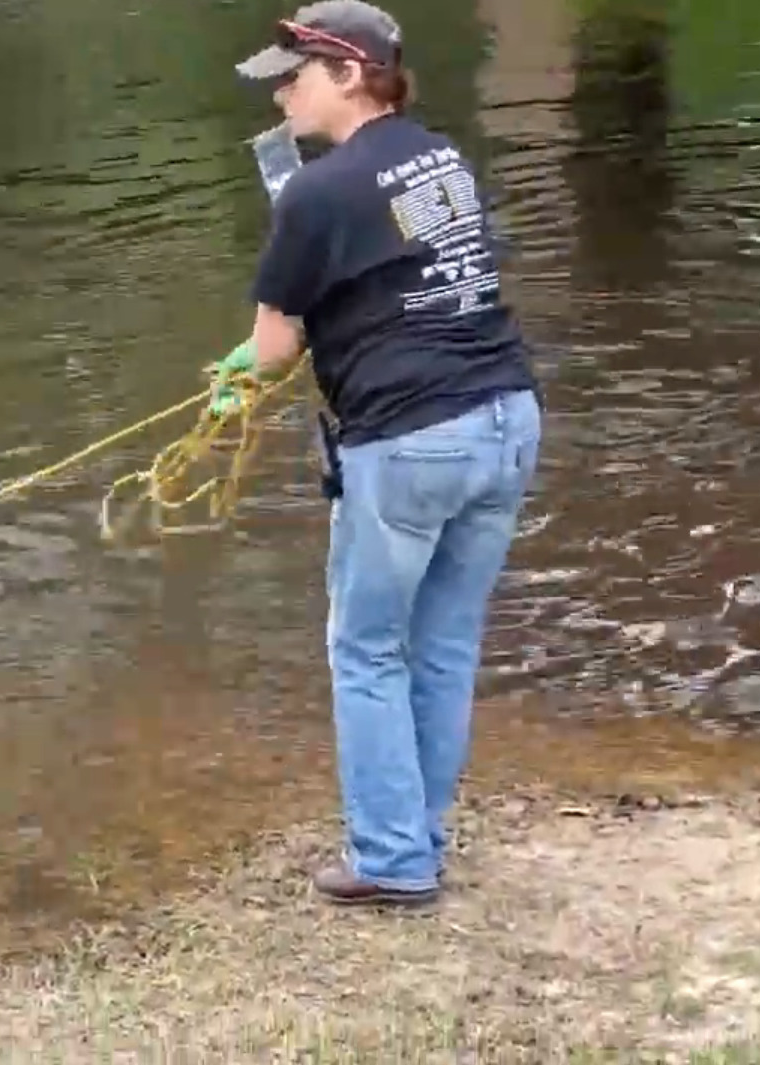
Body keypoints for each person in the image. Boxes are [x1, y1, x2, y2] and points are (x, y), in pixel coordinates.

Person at [221, 0, 544, 906]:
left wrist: (235, 370)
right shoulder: (439, 156)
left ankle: (394, 862)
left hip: (408, 442)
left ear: (349, 74)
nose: (280, 91)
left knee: (364, 649)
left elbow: (274, 349)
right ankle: (421, 839)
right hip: (505, 416)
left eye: (294, 75)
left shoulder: (314, 192)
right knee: (440, 644)